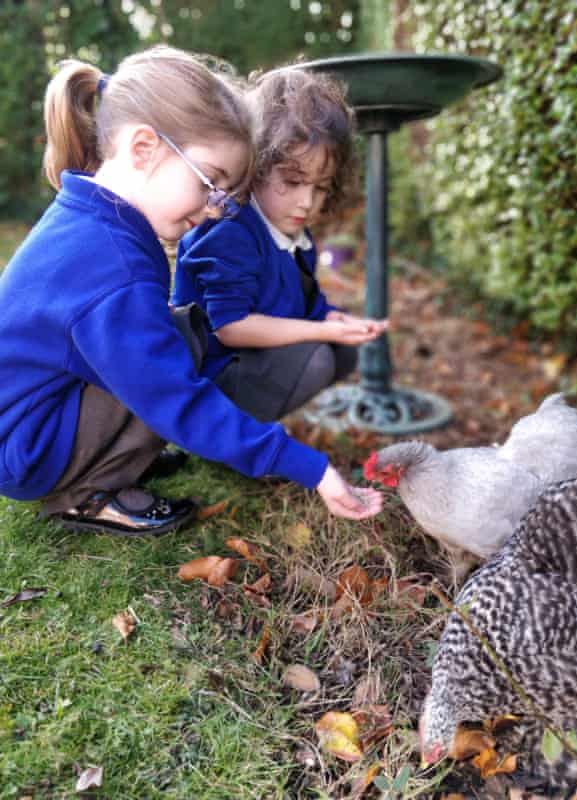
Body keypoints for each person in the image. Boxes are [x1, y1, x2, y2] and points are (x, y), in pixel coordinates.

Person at [0, 46, 383, 538]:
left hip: (30, 426)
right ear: (144, 148)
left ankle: (106, 463)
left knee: (176, 335)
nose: (210, 210)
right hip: (26, 451)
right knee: (177, 347)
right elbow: (173, 395)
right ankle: (88, 495)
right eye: (210, 183)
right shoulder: (115, 267)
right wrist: (307, 466)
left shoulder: (92, 217)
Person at [172, 68, 388, 422]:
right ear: (255, 167)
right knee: (316, 356)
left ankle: (255, 423)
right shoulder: (230, 232)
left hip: (246, 363)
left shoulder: (296, 238)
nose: (307, 201)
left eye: (320, 187)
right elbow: (230, 326)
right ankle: (229, 434)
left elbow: (302, 305)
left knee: (342, 350)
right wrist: (320, 330)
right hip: (206, 379)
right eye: (293, 181)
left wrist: (333, 320)